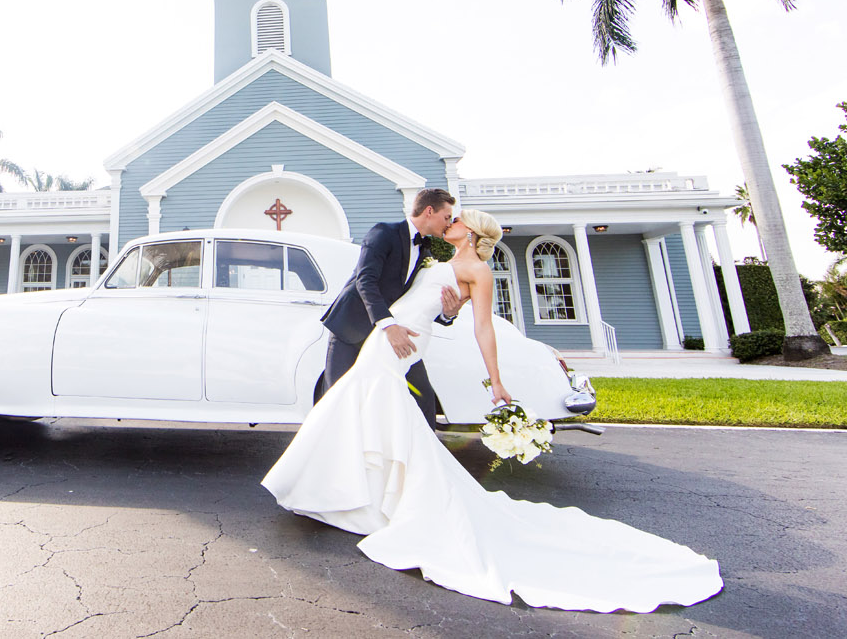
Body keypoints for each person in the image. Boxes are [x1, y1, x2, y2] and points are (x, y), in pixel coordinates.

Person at [263, 209, 723, 612]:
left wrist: (496, 381)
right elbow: (424, 301)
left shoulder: (479, 272)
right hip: (388, 337)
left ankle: (362, 495)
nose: (451, 222)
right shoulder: (440, 261)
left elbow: (484, 329)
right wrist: (444, 309)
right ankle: (363, 492)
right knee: (369, 409)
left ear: (470, 233)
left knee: (362, 404)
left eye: (457, 221)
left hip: (402, 343)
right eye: (450, 217)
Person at [319, 188, 464, 427]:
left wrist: (448, 314)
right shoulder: (383, 233)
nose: (448, 224)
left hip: (396, 333)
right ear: (430, 211)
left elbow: (419, 299)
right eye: (447, 217)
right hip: (352, 329)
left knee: (423, 396)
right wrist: (389, 326)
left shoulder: (425, 250)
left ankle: (422, 458)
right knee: (338, 399)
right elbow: (365, 280)